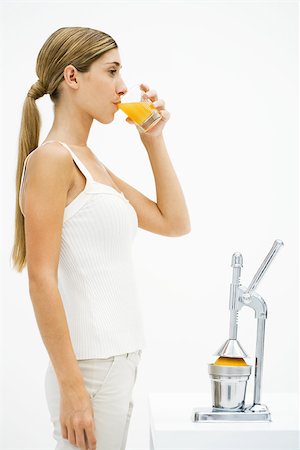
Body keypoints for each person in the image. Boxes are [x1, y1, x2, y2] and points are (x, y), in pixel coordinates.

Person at [11, 26, 191, 450]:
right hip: (88, 370)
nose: (123, 86)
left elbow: (174, 222)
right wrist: (72, 386)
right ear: (72, 78)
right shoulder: (53, 161)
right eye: (111, 71)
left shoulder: (91, 163)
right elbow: (40, 278)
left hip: (117, 362)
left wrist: (153, 140)